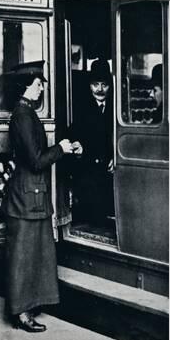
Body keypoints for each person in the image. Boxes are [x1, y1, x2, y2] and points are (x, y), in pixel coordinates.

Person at [2, 60, 74, 333]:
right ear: (26, 86)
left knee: (33, 255)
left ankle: (28, 306)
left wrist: (63, 149)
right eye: (38, 84)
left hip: (31, 196)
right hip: (26, 197)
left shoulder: (26, 113)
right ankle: (21, 313)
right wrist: (61, 148)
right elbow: (35, 161)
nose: (42, 88)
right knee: (23, 257)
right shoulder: (23, 116)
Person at [67, 58, 114, 226]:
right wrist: (78, 145)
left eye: (104, 84)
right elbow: (73, 135)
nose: (100, 90)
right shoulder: (80, 109)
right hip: (88, 172)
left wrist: (115, 157)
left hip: (111, 171)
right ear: (89, 86)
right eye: (95, 84)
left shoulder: (117, 109)